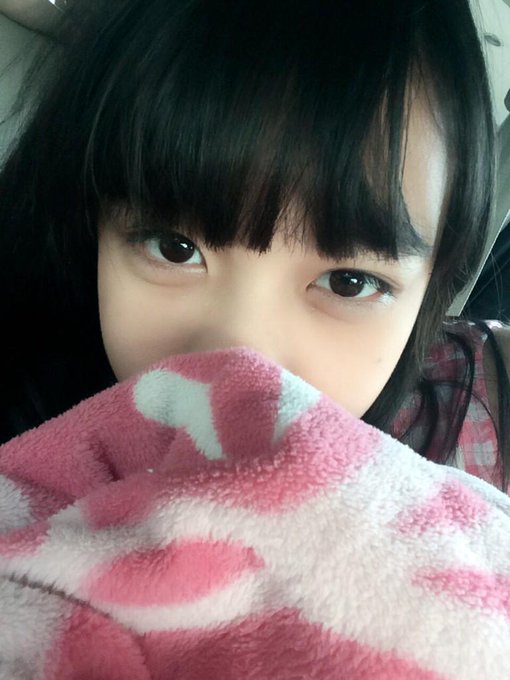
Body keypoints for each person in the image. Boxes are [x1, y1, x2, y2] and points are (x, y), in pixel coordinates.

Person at [0, 0, 509, 492]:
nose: (237, 372)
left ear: (430, 289)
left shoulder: (471, 449)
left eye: (347, 282)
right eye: (175, 249)